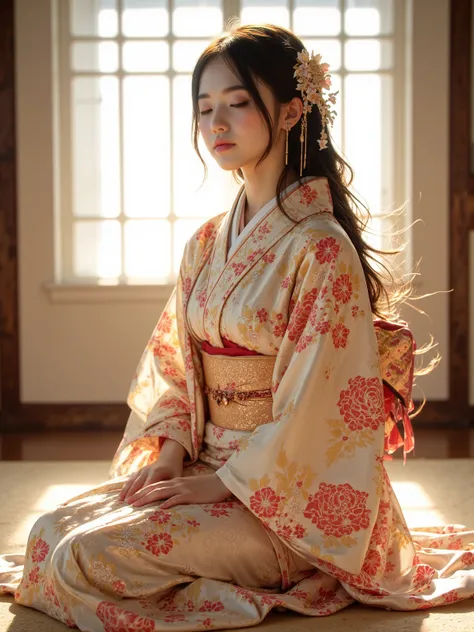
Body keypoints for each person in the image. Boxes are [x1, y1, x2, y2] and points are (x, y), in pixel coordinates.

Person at [1, 22, 473, 631]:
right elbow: (176, 364)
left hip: (286, 497)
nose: (216, 124)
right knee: (48, 535)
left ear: (290, 112)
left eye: (237, 103)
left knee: (86, 559)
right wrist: (172, 458)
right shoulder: (205, 244)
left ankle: (296, 567)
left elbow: (321, 408)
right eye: (204, 109)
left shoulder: (321, 248)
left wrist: (224, 484)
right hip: (206, 466)